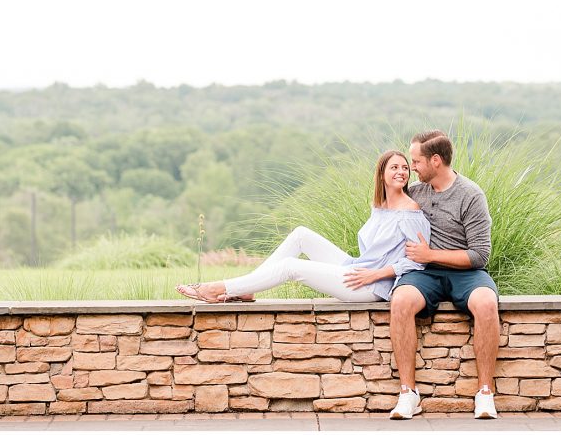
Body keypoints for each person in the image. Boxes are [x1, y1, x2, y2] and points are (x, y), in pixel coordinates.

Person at [176, 150, 430, 304]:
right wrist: (365, 269)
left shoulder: (410, 212)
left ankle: (221, 288)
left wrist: (375, 275)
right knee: (301, 235)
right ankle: (246, 289)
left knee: (290, 267)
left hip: (371, 286)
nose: (402, 172)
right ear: (382, 173)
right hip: (358, 269)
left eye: (405, 167)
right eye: (394, 167)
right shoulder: (381, 206)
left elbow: (418, 262)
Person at [387, 130, 500, 420]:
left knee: (486, 303)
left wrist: (432, 255)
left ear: (435, 161)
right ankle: (408, 394)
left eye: (416, 161)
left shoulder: (471, 195)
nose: (413, 167)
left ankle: (485, 393)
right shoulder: (416, 191)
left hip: (466, 272)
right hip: (425, 274)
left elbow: (479, 255)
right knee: (400, 301)